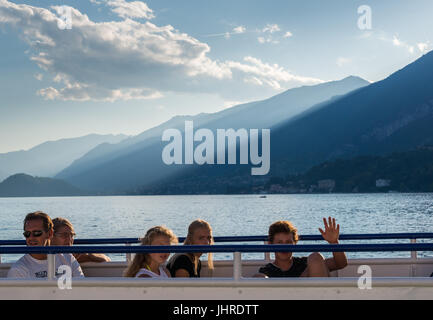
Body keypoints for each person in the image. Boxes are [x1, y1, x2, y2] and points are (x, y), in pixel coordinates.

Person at [256, 217, 348, 277]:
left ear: (295, 243)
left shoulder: (305, 263)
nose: (284, 246)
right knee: (259, 278)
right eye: (280, 242)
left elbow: (340, 263)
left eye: (288, 242)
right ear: (271, 244)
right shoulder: (267, 270)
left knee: (315, 257)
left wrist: (334, 242)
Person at [7, 211, 84, 279]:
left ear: (50, 234)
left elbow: (82, 287)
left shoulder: (67, 258)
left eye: (37, 233)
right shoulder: (19, 270)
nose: (31, 238)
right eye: (27, 234)